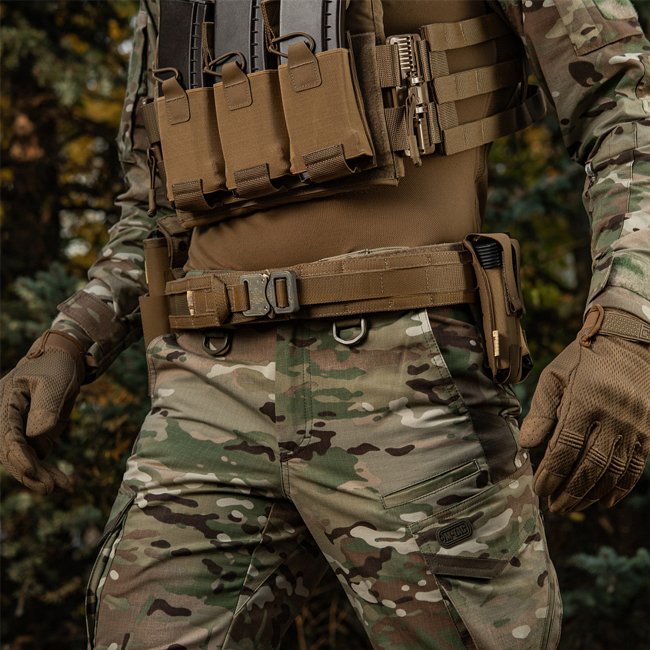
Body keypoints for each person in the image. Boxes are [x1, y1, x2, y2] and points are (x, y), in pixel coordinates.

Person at [1, 1, 649, 648]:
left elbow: (625, 102)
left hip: (412, 378)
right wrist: (67, 341)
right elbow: (154, 205)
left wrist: (627, 325)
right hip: (204, 388)